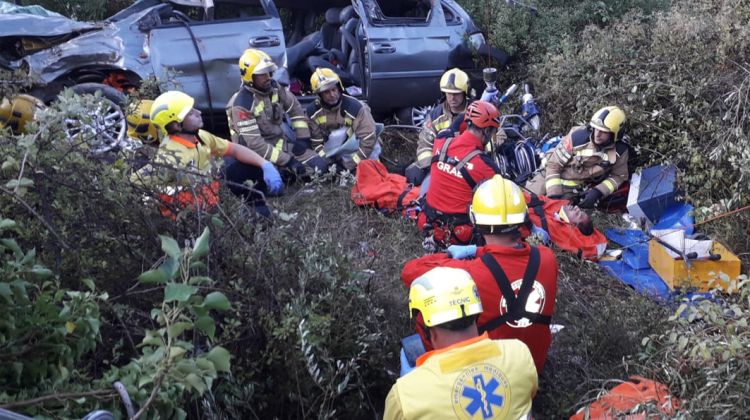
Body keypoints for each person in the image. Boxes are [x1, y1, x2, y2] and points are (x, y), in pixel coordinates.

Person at [403, 176, 558, 373]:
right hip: (532, 371)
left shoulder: (468, 275)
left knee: (424, 313)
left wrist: (452, 253)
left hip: (491, 377)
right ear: (523, 218)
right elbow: (509, 259)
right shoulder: (547, 258)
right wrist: (476, 251)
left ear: (475, 219)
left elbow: (409, 271)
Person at [384, 266, 538, 419]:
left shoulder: (404, 398)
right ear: (476, 313)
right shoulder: (520, 353)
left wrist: (412, 386)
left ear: (427, 327)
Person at [131, 91, 282, 218]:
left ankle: (259, 206)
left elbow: (234, 149)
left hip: (211, 196)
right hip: (195, 215)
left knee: (245, 166)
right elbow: (135, 182)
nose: (199, 112)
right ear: (176, 125)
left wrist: (265, 165)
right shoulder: (171, 157)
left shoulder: (200, 135)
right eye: (190, 113)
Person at [225, 49, 329, 180]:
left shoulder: (274, 88)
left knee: (321, 166)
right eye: (262, 74)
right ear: (249, 76)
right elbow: (255, 145)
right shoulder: (242, 104)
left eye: (269, 72)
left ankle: (290, 173)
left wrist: (302, 140)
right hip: (256, 156)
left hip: (281, 146)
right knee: (278, 180)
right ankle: (284, 174)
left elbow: (294, 108)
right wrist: (288, 161)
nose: (268, 77)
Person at [418, 100, 505, 251]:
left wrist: (473, 113)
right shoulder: (485, 166)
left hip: (428, 222)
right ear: (486, 131)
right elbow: (503, 199)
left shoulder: (441, 141)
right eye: (492, 132)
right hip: (459, 234)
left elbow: (453, 127)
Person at [526, 106, 629, 209]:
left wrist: (598, 191)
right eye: (596, 129)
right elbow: (553, 165)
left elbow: (619, 176)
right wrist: (554, 195)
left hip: (572, 191)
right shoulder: (577, 138)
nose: (597, 134)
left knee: (553, 221)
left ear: (615, 134)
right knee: (525, 204)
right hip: (548, 178)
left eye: (603, 131)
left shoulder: (619, 151)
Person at [405, 68, 471, 185]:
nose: (452, 98)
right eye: (448, 93)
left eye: (456, 93)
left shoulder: (475, 111)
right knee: (413, 174)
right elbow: (424, 145)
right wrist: (430, 168)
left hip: (468, 163)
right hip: (441, 164)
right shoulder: (436, 115)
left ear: (464, 93)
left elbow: (496, 134)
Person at [307, 67, 381, 172]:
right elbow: (316, 143)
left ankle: (373, 171)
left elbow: (368, 138)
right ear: (319, 95)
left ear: (339, 88)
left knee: (373, 152)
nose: (332, 95)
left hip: (359, 147)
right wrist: (328, 163)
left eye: (333, 89)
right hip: (333, 149)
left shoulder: (356, 107)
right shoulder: (313, 112)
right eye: (326, 92)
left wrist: (352, 164)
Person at [525, 193, 607, 260]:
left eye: (578, 214)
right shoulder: (556, 206)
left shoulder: (554, 229)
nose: (576, 207)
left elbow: (590, 251)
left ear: (572, 225)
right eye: (580, 211)